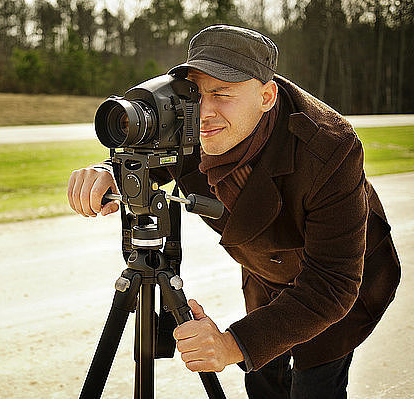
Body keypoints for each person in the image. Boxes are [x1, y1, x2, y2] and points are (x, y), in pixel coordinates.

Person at [67, 25, 401, 398]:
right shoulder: (188, 120)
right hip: (265, 271)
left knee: (314, 383)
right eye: (197, 92)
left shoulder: (329, 148)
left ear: (266, 96)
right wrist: (109, 170)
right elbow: (156, 163)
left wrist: (230, 345)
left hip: (338, 281)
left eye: (222, 93)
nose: (205, 112)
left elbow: (333, 283)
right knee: (262, 380)